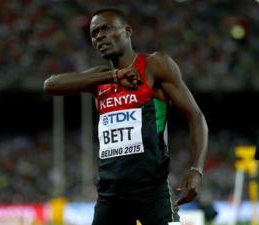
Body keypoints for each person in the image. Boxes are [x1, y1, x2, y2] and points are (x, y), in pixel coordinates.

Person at [43, 7, 208, 225]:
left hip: (152, 190)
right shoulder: (100, 78)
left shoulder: (155, 65)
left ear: (128, 31)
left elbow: (196, 117)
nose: (100, 36)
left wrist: (196, 169)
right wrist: (112, 76)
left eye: (107, 28)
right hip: (110, 195)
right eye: (94, 33)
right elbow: (51, 85)